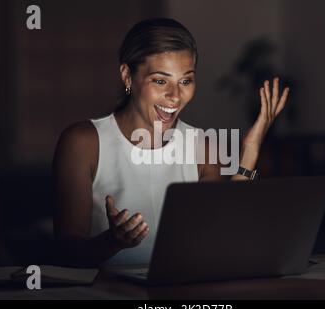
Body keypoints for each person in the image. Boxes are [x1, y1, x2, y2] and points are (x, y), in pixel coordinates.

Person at [52, 18, 289, 267]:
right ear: (127, 76)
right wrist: (112, 241)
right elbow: (66, 252)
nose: (175, 96)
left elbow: (222, 238)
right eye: (160, 80)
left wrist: (249, 154)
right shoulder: (82, 142)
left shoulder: (203, 147)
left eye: (185, 81)